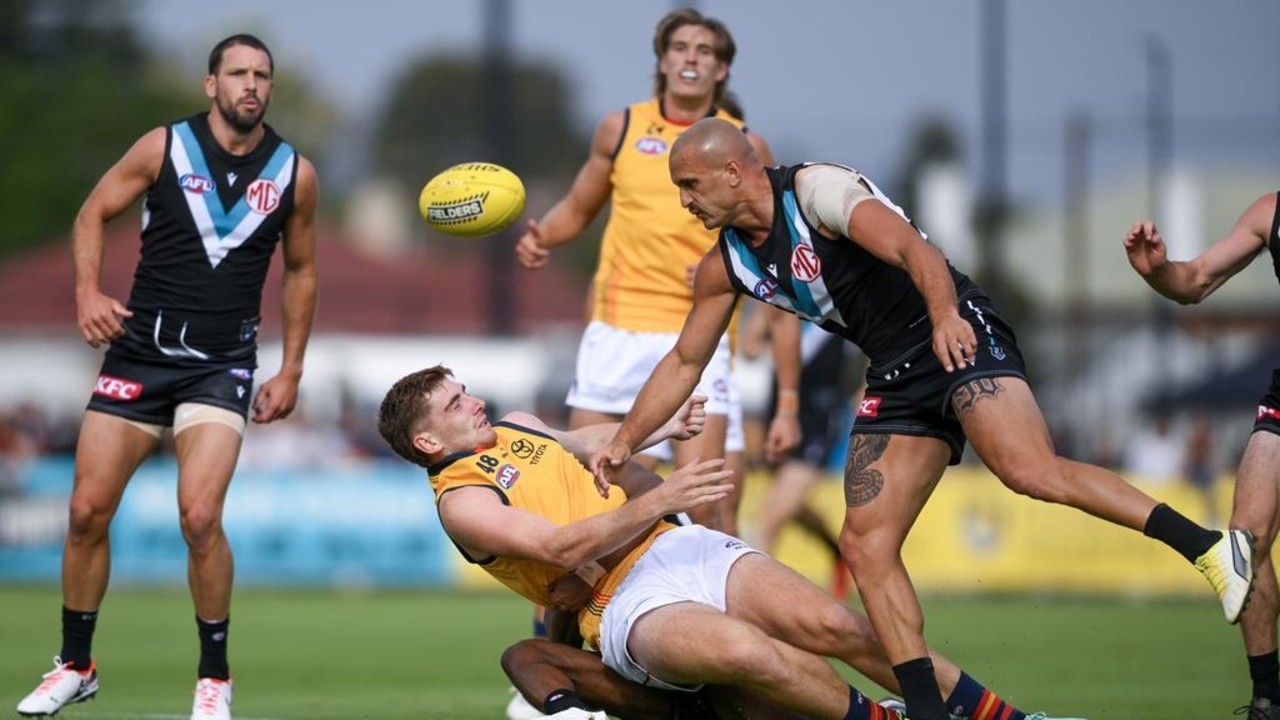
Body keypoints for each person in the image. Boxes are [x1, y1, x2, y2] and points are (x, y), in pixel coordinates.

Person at [588, 116, 1252, 720]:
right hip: (895, 369)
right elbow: (683, 361)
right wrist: (623, 440)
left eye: (690, 184)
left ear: (734, 172)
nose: (684, 200)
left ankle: (1210, 548)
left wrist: (944, 318)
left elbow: (914, 250)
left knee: (1030, 472)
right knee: (866, 545)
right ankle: (929, 714)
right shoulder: (723, 265)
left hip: (955, 326)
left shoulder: (816, 193)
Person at [377, 365, 1082, 720]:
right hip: (622, 604)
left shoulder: (519, 422)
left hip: (679, 546)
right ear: (428, 441)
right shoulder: (463, 503)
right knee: (748, 654)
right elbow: (563, 546)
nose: (473, 399)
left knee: (837, 624)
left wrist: (656, 431)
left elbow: (591, 443)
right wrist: (664, 494)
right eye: (454, 402)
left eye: (464, 388)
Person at [15, 33, 319, 720]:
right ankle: (75, 664)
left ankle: (214, 679)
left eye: (262, 75)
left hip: (220, 367)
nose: (251, 85)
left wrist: (293, 366)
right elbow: (92, 211)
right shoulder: (163, 146)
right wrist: (87, 294)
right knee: (87, 512)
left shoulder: (295, 173)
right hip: (137, 358)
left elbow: (301, 270)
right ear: (210, 84)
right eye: (237, 73)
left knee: (201, 516)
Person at [514, 7, 800, 533]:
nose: (691, 58)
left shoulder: (746, 144)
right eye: (680, 48)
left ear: (722, 71)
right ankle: (558, 619)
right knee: (580, 500)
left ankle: (704, 614)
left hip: (699, 334)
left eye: (705, 51)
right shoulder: (620, 128)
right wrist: (542, 236)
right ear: (662, 62)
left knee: (706, 508)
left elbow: (776, 241)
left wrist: (727, 268)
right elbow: (579, 208)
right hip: (616, 330)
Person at [1124, 194, 1280, 719]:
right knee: (1246, 540)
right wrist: (1158, 269)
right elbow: (1194, 282)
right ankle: (1268, 702)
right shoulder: (1269, 212)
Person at [741, 304, 860, 600]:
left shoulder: (840, 302)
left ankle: (751, 603)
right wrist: (767, 309)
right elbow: (749, 347)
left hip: (820, 420)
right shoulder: (784, 298)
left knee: (770, 517)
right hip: (780, 414)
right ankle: (838, 551)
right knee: (787, 506)